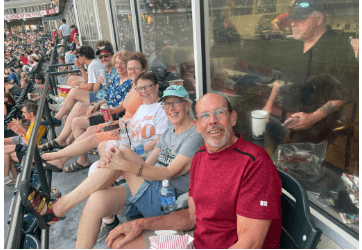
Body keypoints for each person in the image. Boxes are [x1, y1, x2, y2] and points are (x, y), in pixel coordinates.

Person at [20, 85, 204, 249]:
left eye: (176, 103)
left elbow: (169, 173)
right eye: (167, 104)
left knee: (122, 153)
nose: (170, 108)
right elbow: (147, 165)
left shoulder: (194, 135)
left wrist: (124, 164)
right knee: (98, 199)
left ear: (187, 105)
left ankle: (57, 208)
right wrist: (115, 168)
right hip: (152, 187)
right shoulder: (168, 133)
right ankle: (60, 218)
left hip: (168, 202)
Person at [95, 92, 282, 249]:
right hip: (192, 241)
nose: (212, 122)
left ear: (232, 118)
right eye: (205, 116)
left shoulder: (254, 162)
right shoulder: (200, 156)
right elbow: (191, 217)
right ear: (197, 125)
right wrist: (139, 223)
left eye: (219, 113)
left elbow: (249, 244)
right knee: (120, 242)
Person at [263, 0, 358, 144]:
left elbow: (343, 94)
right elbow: (280, 77)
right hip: (289, 112)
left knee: (296, 154)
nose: (292, 24)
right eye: (292, 19)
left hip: (320, 119)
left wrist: (311, 118)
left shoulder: (339, 47)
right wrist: (268, 106)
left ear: (319, 19)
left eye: (300, 19)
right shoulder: (295, 43)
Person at [40, 53, 146, 171]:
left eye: (135, 68)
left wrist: (115, 118)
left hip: (123, 125)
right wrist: (102, 107)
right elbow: (117, 103)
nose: (131, 71)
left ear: (143, 69)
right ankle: (61, 157)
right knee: (88, 127)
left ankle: (56, 156)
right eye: (130, 68)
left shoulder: (142, 87)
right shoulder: (130, 83)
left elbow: (142, 114)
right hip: (117, 118)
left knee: (88, 132)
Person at [40, 45, 107, 126]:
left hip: (101, 96)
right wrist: (80, 67)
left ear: (83, 56)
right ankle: (62, 103)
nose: (76, 59)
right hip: (101, 91)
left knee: (74, 91)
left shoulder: (92, 66)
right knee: (73, 80)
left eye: (77, 56)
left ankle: (58, 116)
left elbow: (90, 87)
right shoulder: (94, 63)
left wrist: (76, 87)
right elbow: (88, 80)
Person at [4, 102, 46, 185]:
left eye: (24, 112)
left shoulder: (36, 124)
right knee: (6, 151)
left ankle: (7, 178)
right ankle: (12, 178)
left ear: (31, 113)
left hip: (31, 153)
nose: (22, 114)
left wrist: (20, 133)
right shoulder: (37, 121)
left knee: (5, 151)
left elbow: (30, 144)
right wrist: (20, 127)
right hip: (29, 148)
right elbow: (29, 134)